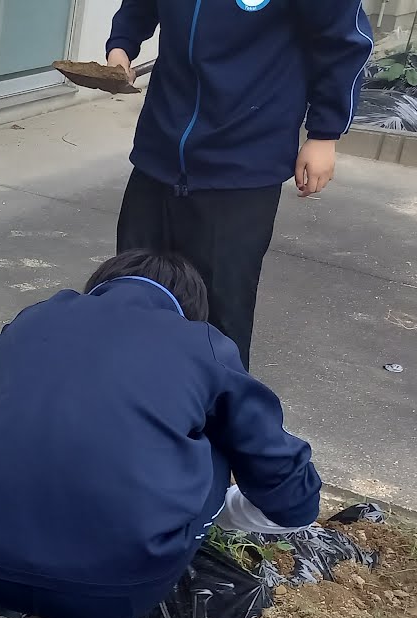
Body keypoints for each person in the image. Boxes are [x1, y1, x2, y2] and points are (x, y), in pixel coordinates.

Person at [0, 250, 323, 618]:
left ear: (101, 285)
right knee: (216, 434)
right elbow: (293, 497)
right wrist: (227, 509)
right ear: (189, 310)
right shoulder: (203, 344)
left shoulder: (41, 315)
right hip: (118, 586)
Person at [106, 0, 374, 368]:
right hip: (159, 151)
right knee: (131, 290)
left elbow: (342, 39)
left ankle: (220, 398)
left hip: (243, 162)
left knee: (222, 312)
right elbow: (140, 6)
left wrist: (325, 133)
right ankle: (132, 389)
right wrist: (121, 47)